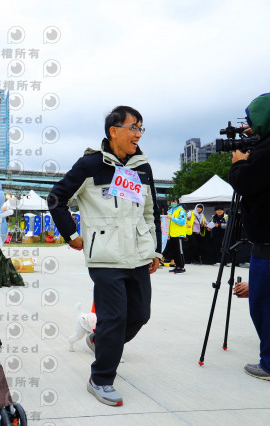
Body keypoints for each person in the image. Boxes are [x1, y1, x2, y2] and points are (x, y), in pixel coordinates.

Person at [48, 106, 162, 406]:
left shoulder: (142, 167)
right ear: (114, 131)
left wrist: (155, 249)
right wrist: (71, 235)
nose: (138, 134)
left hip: (138, 254)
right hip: (105, 257)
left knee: (140, 315)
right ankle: (100, 379)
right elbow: (56, 198)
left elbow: (151, 210)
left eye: (141, 128)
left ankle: (98, 340)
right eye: (133, 127)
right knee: (114, 317)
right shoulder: (90, 164)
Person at [229, 92, 270, 381]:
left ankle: (268, 363)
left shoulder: (265, 152)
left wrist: (239, 162)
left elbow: (244, 182)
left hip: (266, 244)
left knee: (262, 305)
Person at [167, 198, 187, 274]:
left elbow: (182, 222)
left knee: (179, 251)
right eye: (172, 202)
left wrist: (172, 218)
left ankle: (182, 267)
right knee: (174, 251)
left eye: (174, 202)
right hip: (172, 234)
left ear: (178, 203)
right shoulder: (170, 211)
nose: (173, 203)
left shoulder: (181, 211)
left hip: (179, 234)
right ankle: (177, 266)